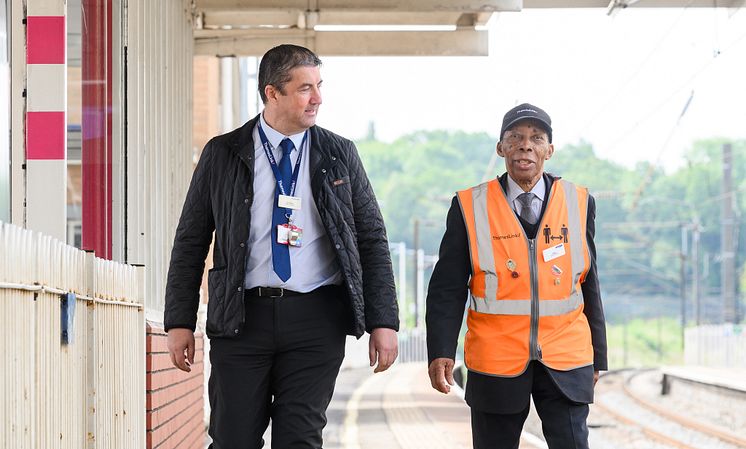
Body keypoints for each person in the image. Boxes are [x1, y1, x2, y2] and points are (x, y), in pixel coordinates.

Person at [164, 44, 399, 449]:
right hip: (241, 318)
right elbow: (191, 239)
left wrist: (385, 321)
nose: (318, 99)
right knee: (233, 438)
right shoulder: (223, 154)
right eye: (306, 88)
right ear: (273, 93)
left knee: (300, 439)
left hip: (316, 317)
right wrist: (178, 320)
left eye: (319, 87)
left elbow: (370, 238)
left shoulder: (338, 153)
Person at [426, 103, 607, 449]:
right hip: (496, 360)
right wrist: (441, 349)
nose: (526, 145)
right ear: (501, 148)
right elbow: (447, 288)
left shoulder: (579, 202)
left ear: (549, 151)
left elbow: (590, 283)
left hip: (566, 357)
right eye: (516, 137)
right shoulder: (469, 206)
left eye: (536, 138)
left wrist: (598, 354)